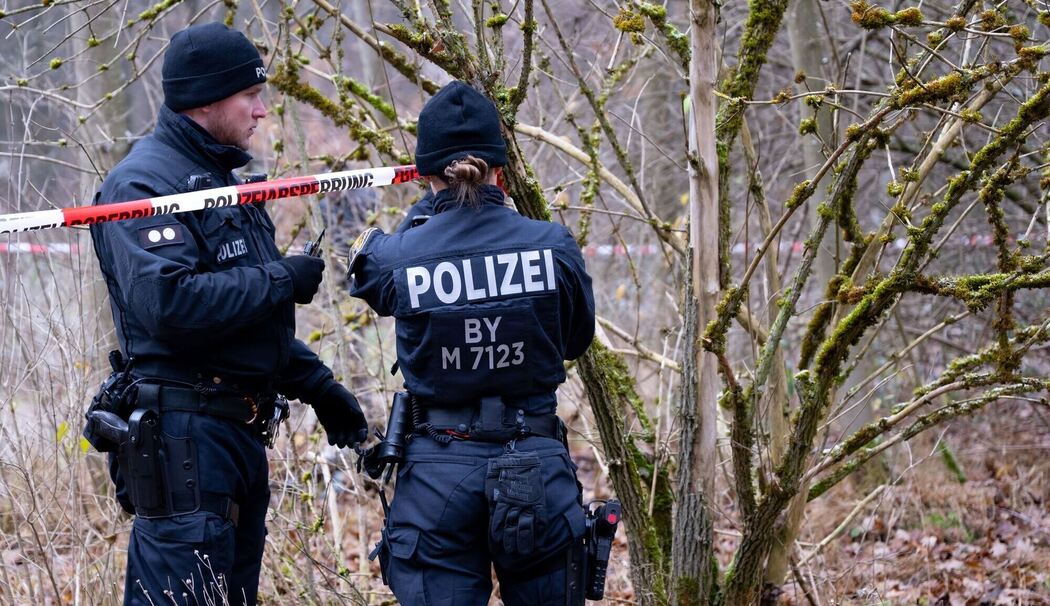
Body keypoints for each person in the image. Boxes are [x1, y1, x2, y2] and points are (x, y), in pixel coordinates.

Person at [88, 22, 368, 606]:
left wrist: (318, 387)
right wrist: (279, 278)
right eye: (251, 96)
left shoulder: (219, 182)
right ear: (208, 100)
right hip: (185, 444)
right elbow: (171, 307)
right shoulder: (141, 184)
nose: (262, 111)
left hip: (236, 438)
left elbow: (245, 322)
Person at [348, 81, 596, 605]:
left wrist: (427, 218)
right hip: (535, 458)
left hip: (438, 472)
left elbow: (367, 273)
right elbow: (576, 340)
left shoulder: (402, 253)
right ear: (501, 171)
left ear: (425, 174)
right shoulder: (552, 245)